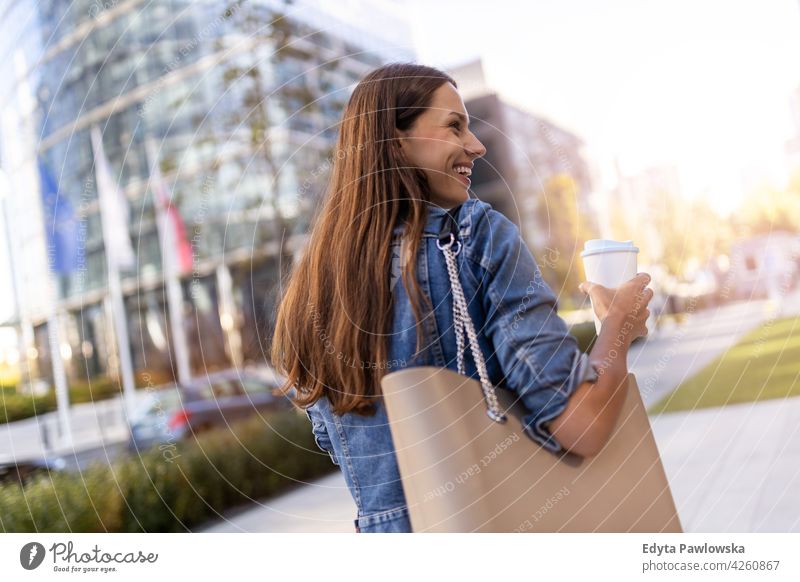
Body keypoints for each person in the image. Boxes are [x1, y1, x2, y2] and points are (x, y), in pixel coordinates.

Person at [271, 62, 653, 533]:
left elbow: (353, 455)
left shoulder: (313, 289)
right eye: (455, 126)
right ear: (395, 141)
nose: (477, 145)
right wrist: (617, 327)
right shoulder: (477, 236)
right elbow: (583, 426)